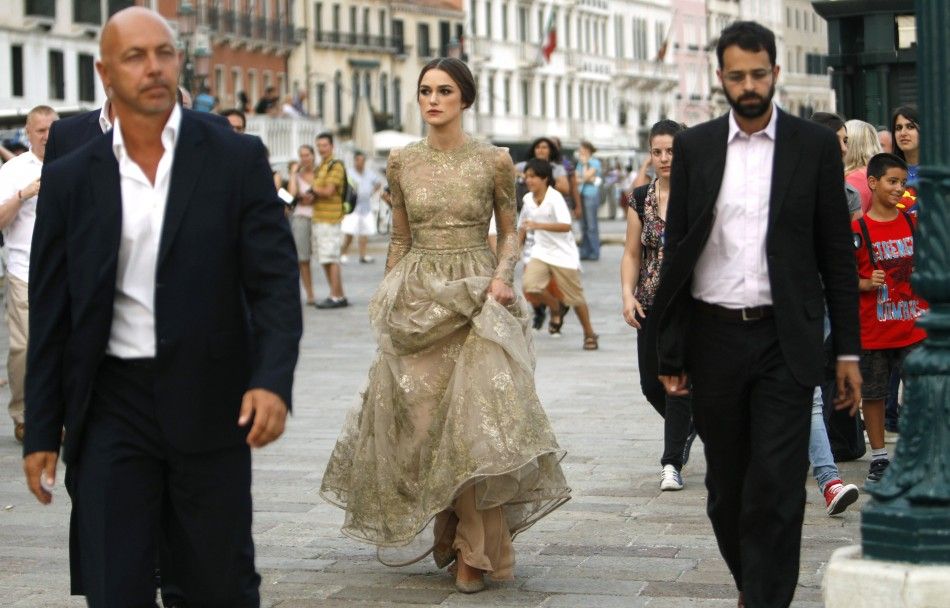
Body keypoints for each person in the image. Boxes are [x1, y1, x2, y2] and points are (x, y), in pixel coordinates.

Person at [22, 8, 301, 606]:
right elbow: (52, 308)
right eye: (135, 56)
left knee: (216, 584)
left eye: (164, 53)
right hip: (110, 408)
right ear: (105, 72)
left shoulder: (234, 158)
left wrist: (272, 381)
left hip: (211, 401)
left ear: (179, 61)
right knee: (114, 584)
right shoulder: (72, 177)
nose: (153, 68)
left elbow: (274, 282)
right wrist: (42, 428)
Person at [320, 57, 571, 595]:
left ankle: (474, 553)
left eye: (444, 91)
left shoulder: (494, 161)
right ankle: (451, 526)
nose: (433, 100)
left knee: (475, 427)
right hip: (416, 299)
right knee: (424, 425)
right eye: (425, 91)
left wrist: (503, 279)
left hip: (477, 297)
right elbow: (399, 239)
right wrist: (388, 302)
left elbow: (509, 231)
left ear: (465, 99)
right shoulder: (401, 161)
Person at [652, 21, 862, 608]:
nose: (749, 85)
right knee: (726, 490)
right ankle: (754, 584)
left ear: (775, 72)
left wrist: (846, 350)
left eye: (759, 73)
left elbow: (837, 260)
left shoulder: (812, 147)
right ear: (721, 78)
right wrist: (671, 353)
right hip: (714, 339)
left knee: (776, 485)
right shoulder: (694, 148)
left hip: (783, 340)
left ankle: (767, 599)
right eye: (737, 75)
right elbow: (676, 257)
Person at [620, 119, 696, 492]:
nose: (665, 158)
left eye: (672, 151)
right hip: (650, 301)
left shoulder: (699, 194)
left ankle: (671, 462)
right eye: (658, 151)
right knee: (651, 384)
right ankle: (691, 425)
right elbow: (632, 253)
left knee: (677, 382)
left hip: (690, 303)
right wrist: (626, 294)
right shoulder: (640, 198)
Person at [852, 152, 927, 483]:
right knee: (874, 394)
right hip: (874, 330)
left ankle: (917, 453)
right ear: (873, 183)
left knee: (922, 390)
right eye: (892, 182)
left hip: (914, 327)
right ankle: (880, 459)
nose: (899, 188)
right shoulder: (858, 229)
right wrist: (866, 283)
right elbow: (838, 278)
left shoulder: (912, 223)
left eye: (902, 182)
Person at [805, 111, 862, 516]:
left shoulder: (847, 196)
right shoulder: (786, 189)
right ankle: (827, 478)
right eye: (840, 140)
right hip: (780, 305)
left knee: (808, 393)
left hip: (819, 306)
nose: (845, 147)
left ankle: (828, 480)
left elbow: (847, 263)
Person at [0, 105, 57, 443]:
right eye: (40, 131)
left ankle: (57, 416)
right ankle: (22, 413)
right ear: (28, 132)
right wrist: (24, 194)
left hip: (65, 270)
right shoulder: (14, 170)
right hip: (24, 269)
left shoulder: (75, 163)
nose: (47, 137)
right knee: (23, 346)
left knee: (63, 347)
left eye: (52, 130)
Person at [519, 158, 598, 350]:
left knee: (575, 297)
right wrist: (515, 247)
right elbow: (522, 225)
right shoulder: (527, 199)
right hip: (541, 251)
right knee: (530, 286)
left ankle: (589, 333)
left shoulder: (555, 198)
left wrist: (538, 225)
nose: (529, 181)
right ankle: (555, 307)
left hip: (563, 253)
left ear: (545, 178)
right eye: (526, 177)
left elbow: (566, 225)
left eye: (533, 177)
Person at [310, 132, 349, 309]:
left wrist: (312, 188)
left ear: (331, 146)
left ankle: (335, 296)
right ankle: (338, 294)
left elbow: (329, 191)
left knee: (331, 257)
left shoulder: (336, 166)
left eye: (324, 145)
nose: (321, 149)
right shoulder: (321, 166)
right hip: (319, 216)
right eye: (319, 145)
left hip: (330, 218)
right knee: (325, 257)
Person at [288, 144, 318, 305]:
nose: (305, 158)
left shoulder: (320, 173)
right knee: (303, 257)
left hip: (320, 216)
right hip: (301, 216)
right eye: (302, 156)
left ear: (313, 155)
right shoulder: (297, 176)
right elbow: (292, 195)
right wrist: (293, 173)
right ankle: (310, 293)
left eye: (307, 155)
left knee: (324, 256)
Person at [340, 150, 382, 263]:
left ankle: (363, 255)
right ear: (354, 161)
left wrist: (372, 192)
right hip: (353, 206)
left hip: (366, 206)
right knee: (349, 232)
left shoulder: (369, 173)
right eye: (358, 160)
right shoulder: (349, 172)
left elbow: (378, 182)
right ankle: (343, 253)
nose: (360, 163)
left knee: (364, 233)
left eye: (362, 160)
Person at [844, 119, 884, 214]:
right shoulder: (875, 173)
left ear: (852, 145)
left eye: (845, 140)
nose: (841, 146)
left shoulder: (855, 179)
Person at [889, 106, 920, 215]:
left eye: (910, 127)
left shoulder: (935, 171)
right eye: (898, 128)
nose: (903, 133)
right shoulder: (888, 171)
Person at [576, 140, 602, 261]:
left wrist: (586, 166)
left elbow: (585, 176)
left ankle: (594, 251)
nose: (580, 152)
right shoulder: (579, 163)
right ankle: (584, 251)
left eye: (582, 149)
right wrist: (587, 178)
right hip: (581, 193)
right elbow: (577, 179)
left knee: (592, 225)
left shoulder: (594, 162)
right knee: (583, 224)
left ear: (588, 150)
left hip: (591, 194)